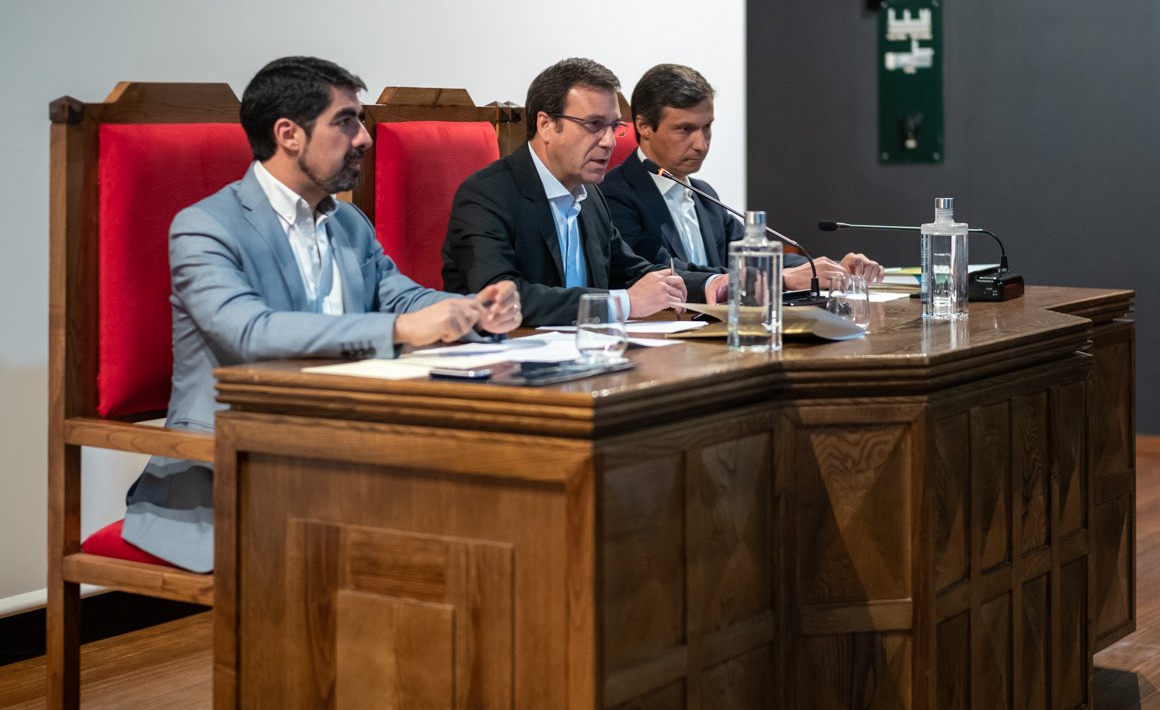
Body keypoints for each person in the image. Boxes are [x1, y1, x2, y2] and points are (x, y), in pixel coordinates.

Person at [122, 56, 521, 572]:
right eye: (346, 121)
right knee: (439, 524)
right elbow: (250, 333)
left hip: (349, 447)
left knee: (493, 496)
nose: (365, 139)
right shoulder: (205, 228)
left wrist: (471, 309)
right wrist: (401, 330)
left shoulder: (348, 222)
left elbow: (400, 297)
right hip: (235, 466)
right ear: (288, 134)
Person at [441, 58, 728, 326]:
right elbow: (500, 299)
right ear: (546, 125)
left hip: (588, 354)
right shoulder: (487, 196)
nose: (609, 141)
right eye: (594, 125)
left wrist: (709, 284)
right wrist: (622, 304)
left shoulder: (590, 197)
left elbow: (632, 272)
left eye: (613, 126)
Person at [603, 63, 883, 289]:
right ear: (644, 126)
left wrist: (829, 269)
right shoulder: (615, 194)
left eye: (707, 127)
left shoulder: (704, 195)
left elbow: (753, 258)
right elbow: (662, 273)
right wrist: (781, 279)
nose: (701, 144)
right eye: (685, 129)